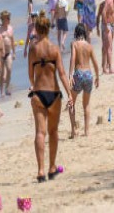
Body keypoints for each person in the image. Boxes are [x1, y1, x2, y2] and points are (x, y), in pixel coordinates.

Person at [27, 11, 73, 182]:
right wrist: (69, 94)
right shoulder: (54, 49)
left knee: (40, 132)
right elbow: (61, 73)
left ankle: (40, 171)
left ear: (37, 29)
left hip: (38, 94)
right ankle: (52, 167)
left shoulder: (33, 50)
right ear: (48, 29)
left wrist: (34, 83)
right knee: (53, 132)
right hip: (54, 94)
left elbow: (30, 75)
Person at [68, 23, 100, 138]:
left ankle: (73, 131)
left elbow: (72, 59)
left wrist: (70, 75)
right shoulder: (89, 46)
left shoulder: (74, 44)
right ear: (84, 34)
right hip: (88, 75)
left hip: (78, 74)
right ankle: (87, 131)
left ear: (76, 33)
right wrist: (97, 77)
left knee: (71, 102)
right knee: (86, 104)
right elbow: (95, 63)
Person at [0, 10, 15, 96]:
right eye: (7, 18)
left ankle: (7, 88)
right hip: (1, 54)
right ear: (3, 19)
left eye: (9, 18)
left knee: (9, 69)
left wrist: (14, 52)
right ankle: (1, 91)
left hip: (8, 53)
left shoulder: (10, 28)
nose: (9, 19)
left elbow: (12, 41)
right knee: (1, 74)